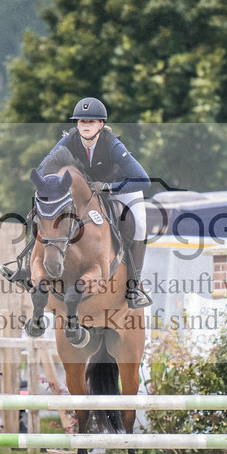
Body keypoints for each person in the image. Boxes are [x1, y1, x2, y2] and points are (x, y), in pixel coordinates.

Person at [37, 96, 152, 309]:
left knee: (139, 224)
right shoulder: (69, 141)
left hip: (120, 187)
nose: (86, 125)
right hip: (87, 191)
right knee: (47, 208)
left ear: (101, 124)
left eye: (91, 121)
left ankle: (134, 287)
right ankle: (26, 265)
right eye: (82, 121)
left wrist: (109, 187)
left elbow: (143, 180)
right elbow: (43, 168)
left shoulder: (112, 144)